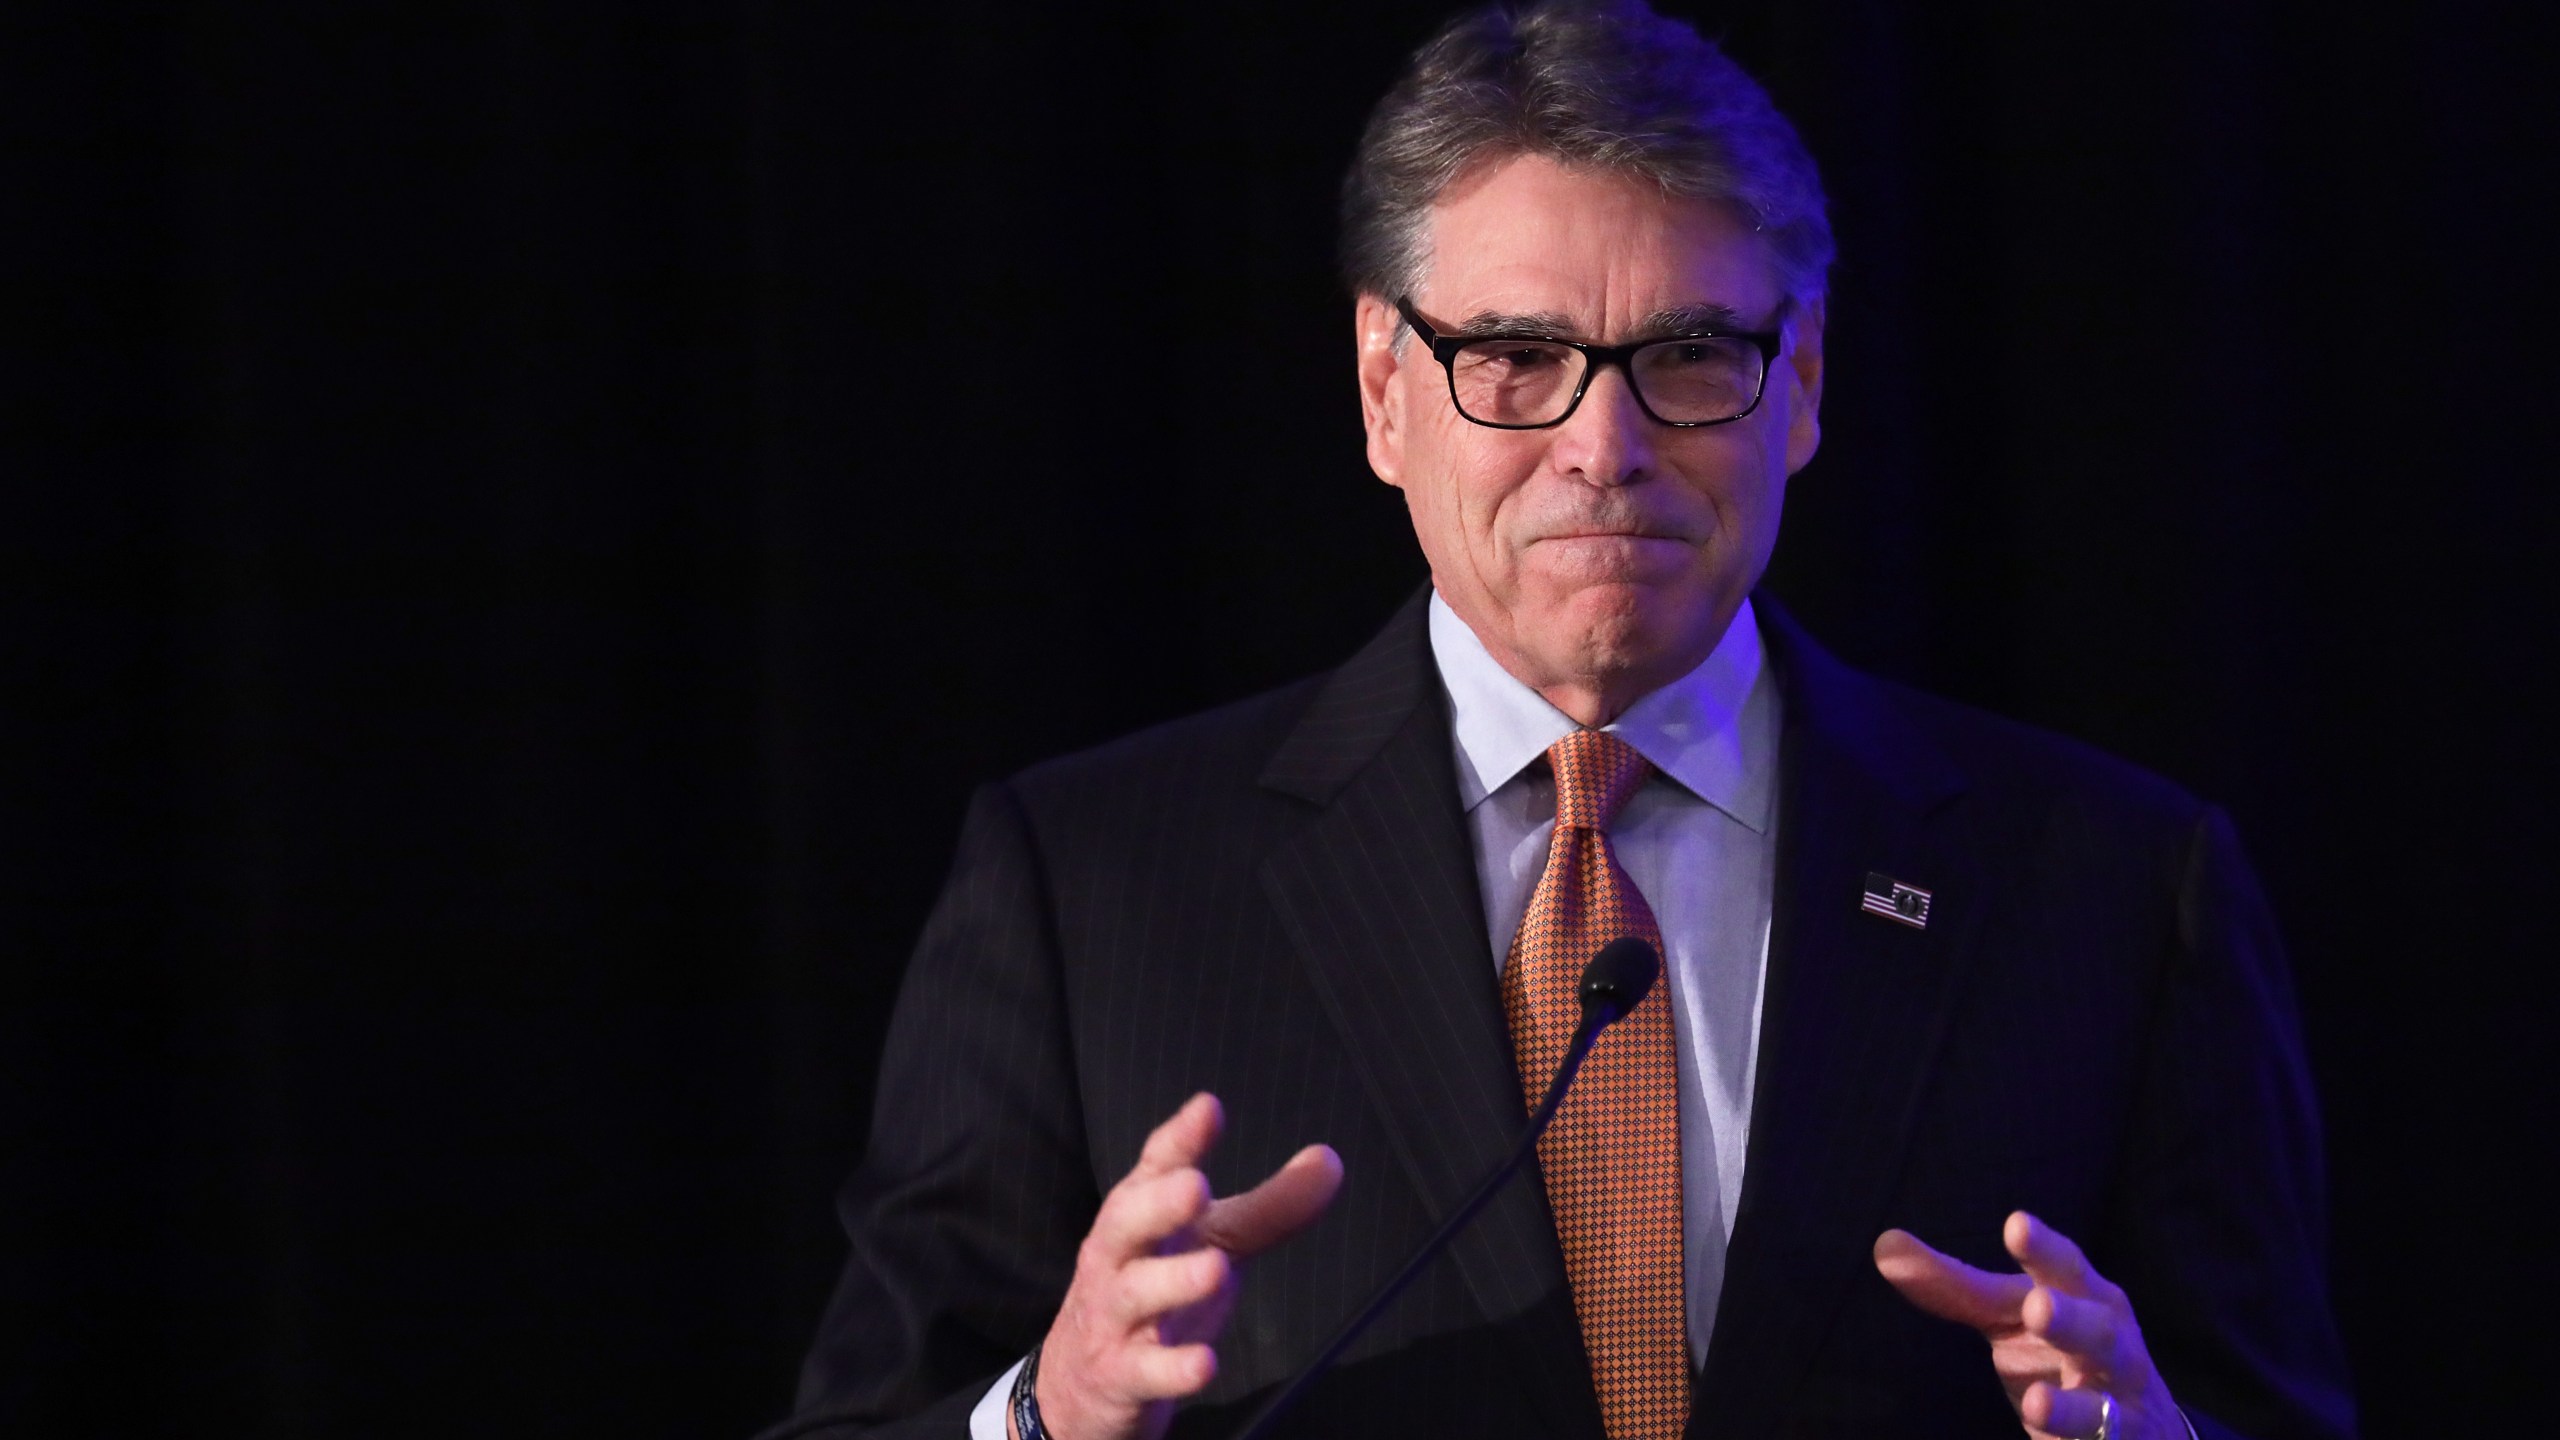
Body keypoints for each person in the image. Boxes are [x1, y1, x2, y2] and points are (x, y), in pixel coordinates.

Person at [774, 4, 2355, 1438]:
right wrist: (1050, 1413)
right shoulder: (1086, 884)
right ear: (1386, 391)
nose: (1605, 446)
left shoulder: (2119, 889)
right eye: (1516, 360)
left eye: (1686, 355)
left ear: (1799, 382)